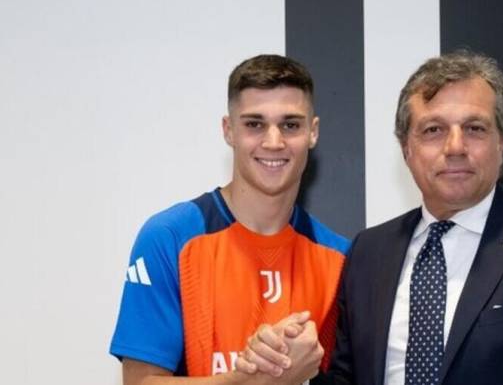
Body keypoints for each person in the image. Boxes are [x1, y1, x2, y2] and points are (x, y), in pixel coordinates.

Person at [241, 50, 503, 384]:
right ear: (406, 148)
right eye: (433, 130)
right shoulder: (369, 253)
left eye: (475, 128)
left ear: (502, 142)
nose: (455, 147)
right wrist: (289, 369)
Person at [110, 54, 350, 385]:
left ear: (313, 132)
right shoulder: (170, 237)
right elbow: (140, 382)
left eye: (290, 125)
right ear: (228, 130)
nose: (273, 142)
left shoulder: (341, 259)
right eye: (254, 124)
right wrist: (255, 381)